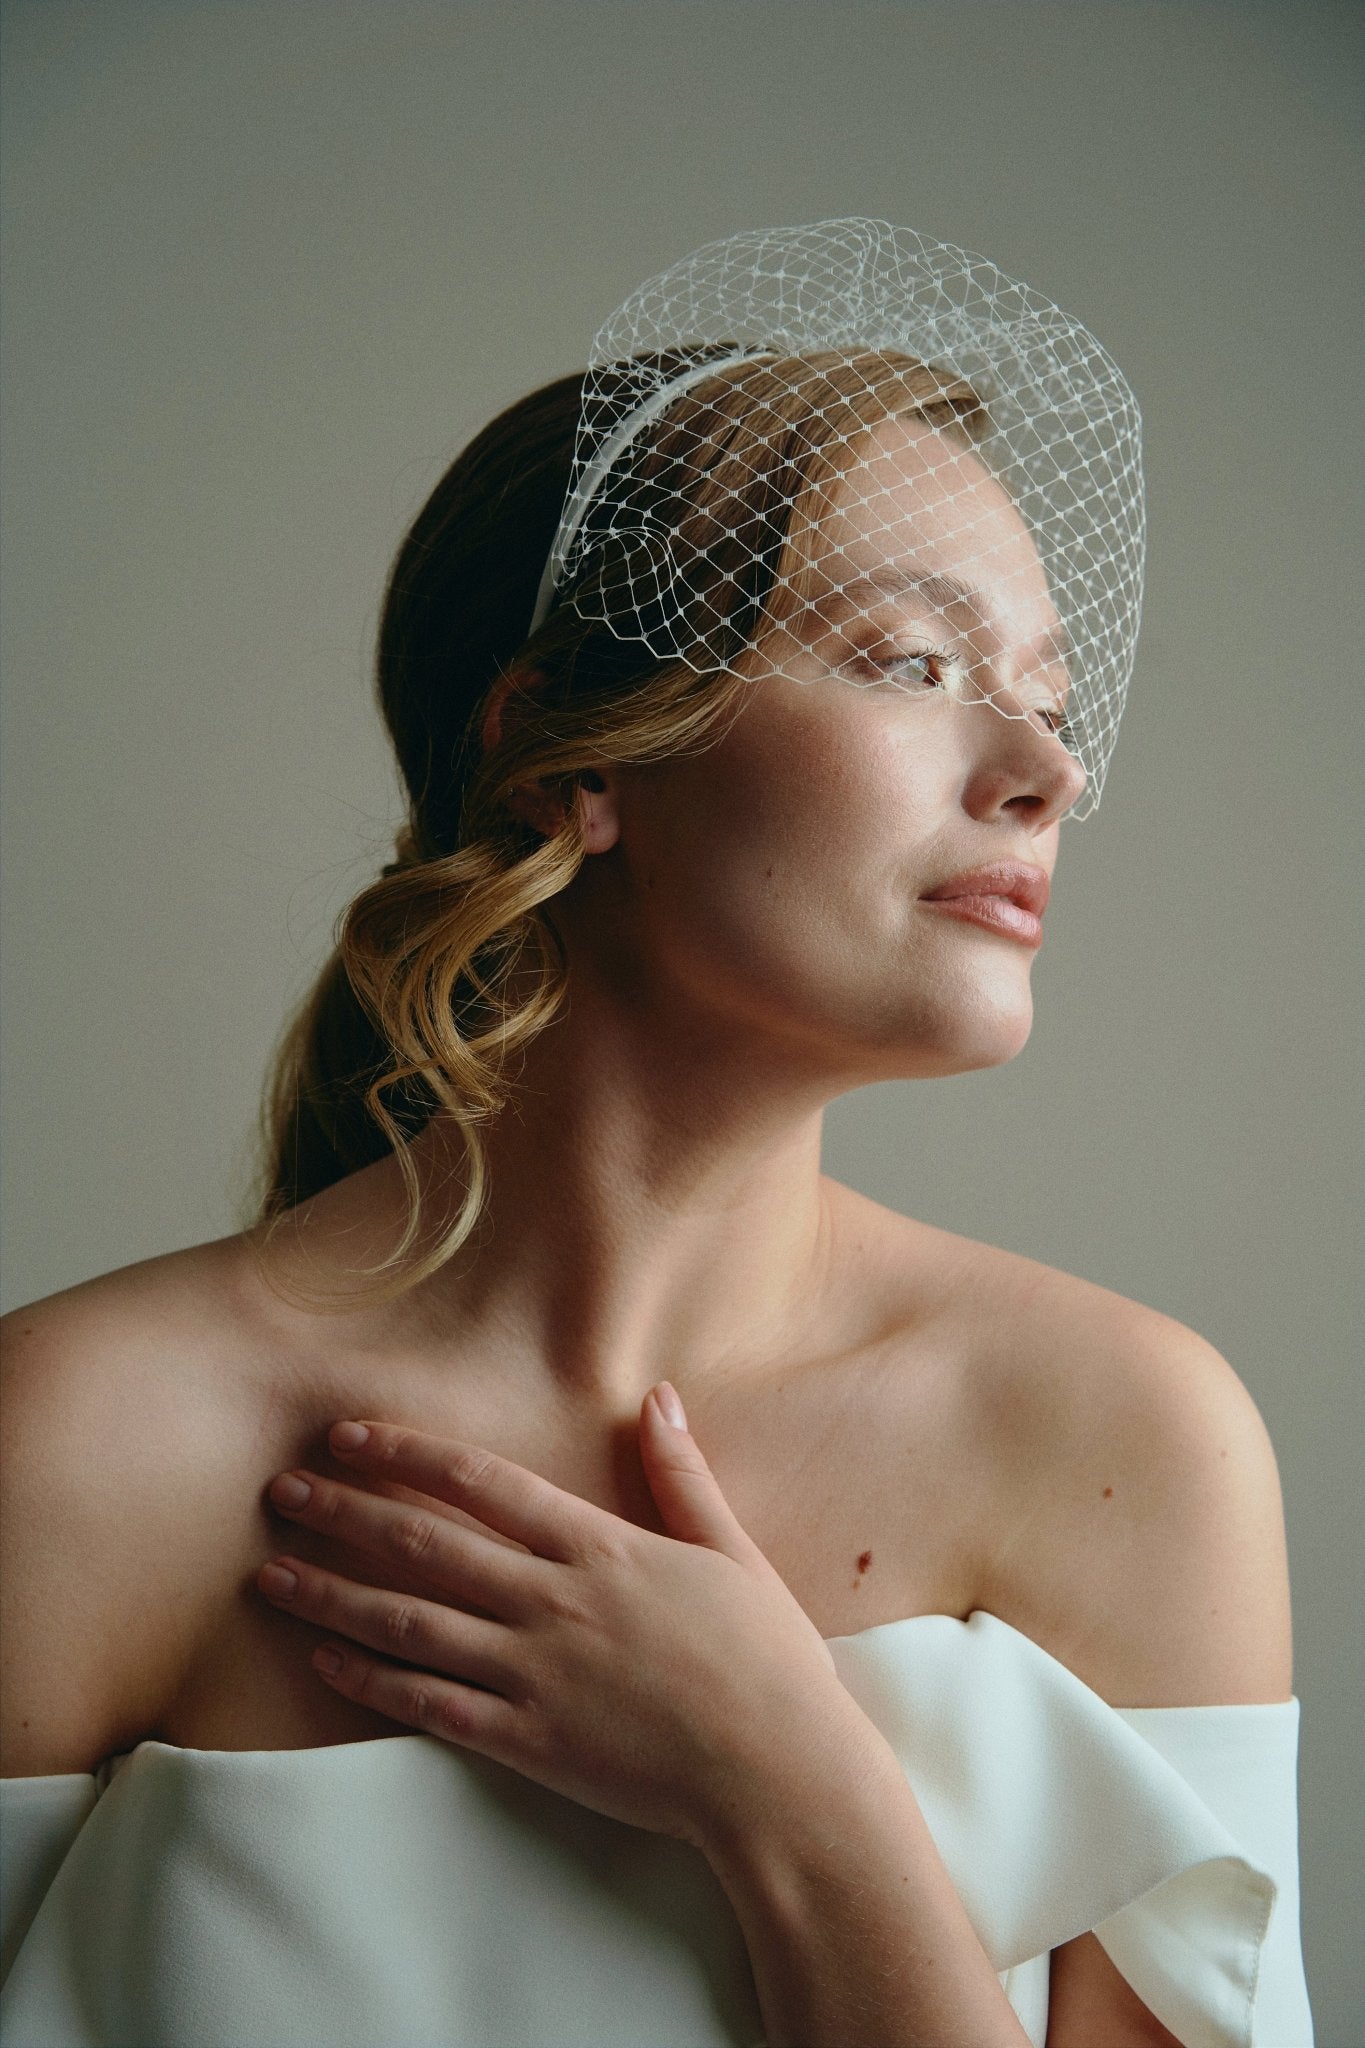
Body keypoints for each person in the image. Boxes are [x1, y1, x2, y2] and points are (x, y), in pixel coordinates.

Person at [0, 223, 1312, 2047]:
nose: (1043, 771)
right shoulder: (69, 1449)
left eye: (1053, 699)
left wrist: (797, 1796)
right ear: (566, 760)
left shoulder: (1126, 1446)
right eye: (917, 666)